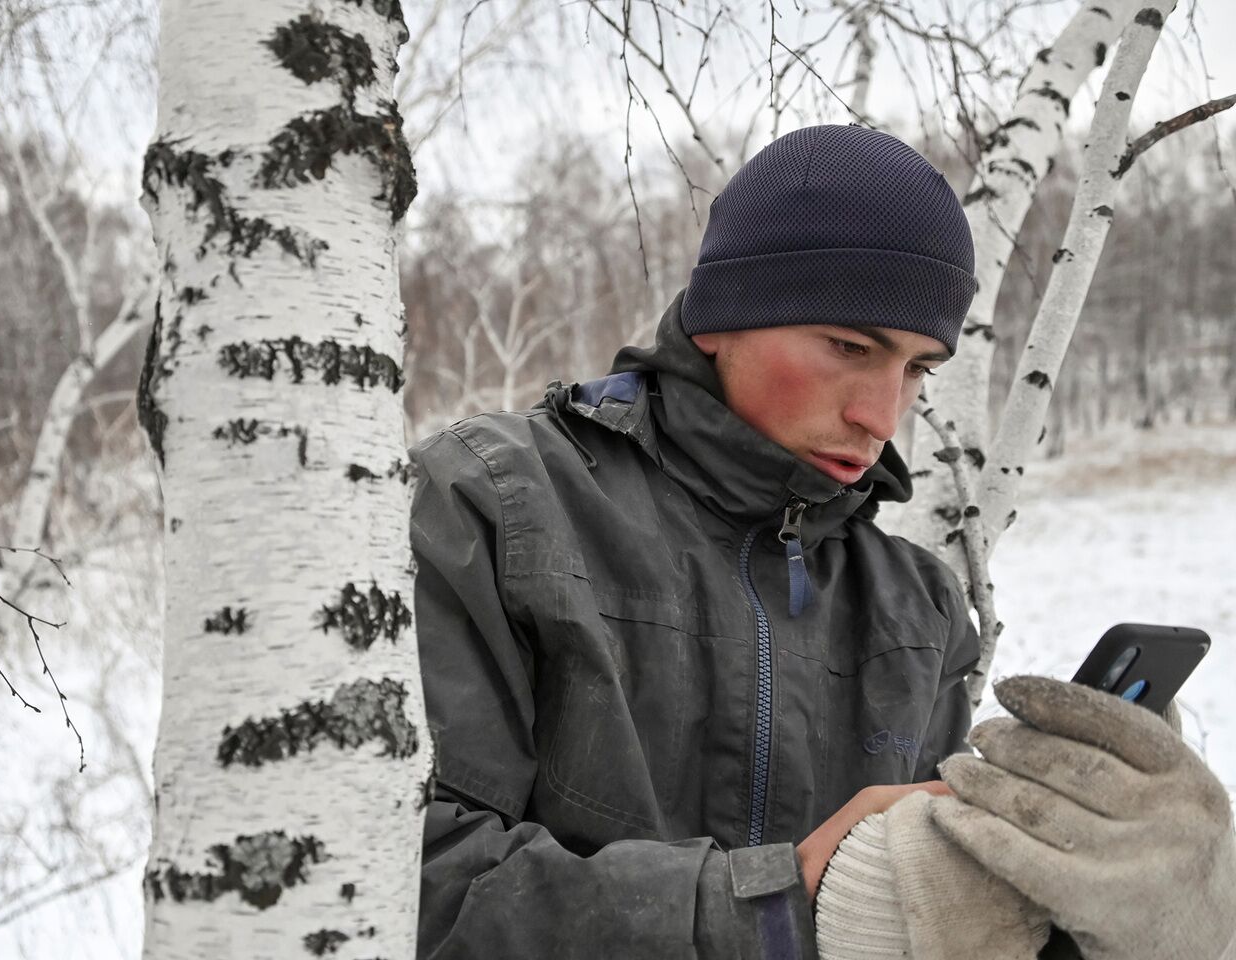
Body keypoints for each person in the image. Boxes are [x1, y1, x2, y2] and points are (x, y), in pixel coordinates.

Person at [409, 125, 1235, 960]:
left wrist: (1100, 913)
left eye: (917, 370)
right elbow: (408, 881)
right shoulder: (495, 503)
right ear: (722, 319)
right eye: (849, 347)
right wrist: (777, 913)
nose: (881, 416)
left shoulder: (916, 604)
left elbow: (936, 930)